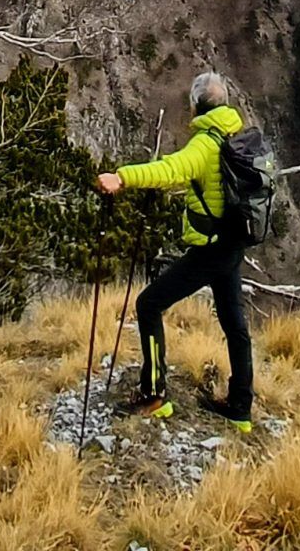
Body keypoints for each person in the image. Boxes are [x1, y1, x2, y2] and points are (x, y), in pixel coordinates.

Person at [95, 70, 254, 429]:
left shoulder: (204, 144)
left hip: (210, 250)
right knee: (235, 325)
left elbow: (171, 169)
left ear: (196, 105)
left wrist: (122, 177)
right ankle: (241, 409)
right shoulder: (235, 131)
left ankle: (154, 396)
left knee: (148, 304)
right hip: (232, 243)